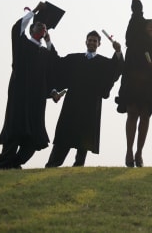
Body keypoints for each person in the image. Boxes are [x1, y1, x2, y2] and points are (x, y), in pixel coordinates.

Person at [0, 2, 59, 170]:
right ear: (30, 30)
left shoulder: (45, 54)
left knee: (34, 139)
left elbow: (52, 71)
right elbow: (16, 29)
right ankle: (2, 165)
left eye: (44, 27)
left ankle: (14, 164)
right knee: (15, 132)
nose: (41, 28)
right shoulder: (22, 45)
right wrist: (35, 12)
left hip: (36, 102)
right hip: (20, 97)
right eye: (38, 25)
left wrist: (52, 92)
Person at [45, 31, 124, 168]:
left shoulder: (104, 63)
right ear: (86, 42)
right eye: (90, 40)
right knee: (64, 135)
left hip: (90, 105)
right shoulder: (74, 59)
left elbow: (116, 69)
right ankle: (52, 165)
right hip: (72, 104)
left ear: (99, 44)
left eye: (95, 41)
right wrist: (48, 42)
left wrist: (118, 52)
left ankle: (78, 167)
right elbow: (57, 63)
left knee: (84, 139)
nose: (92, 42)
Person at [114, 0, 152, 168]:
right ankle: (128, 151)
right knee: (132, 114)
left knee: (145, 116)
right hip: (132, 82)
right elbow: (137, 14)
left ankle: (139, 153)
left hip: (148, 84)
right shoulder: (134, 40)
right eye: (149, 26)